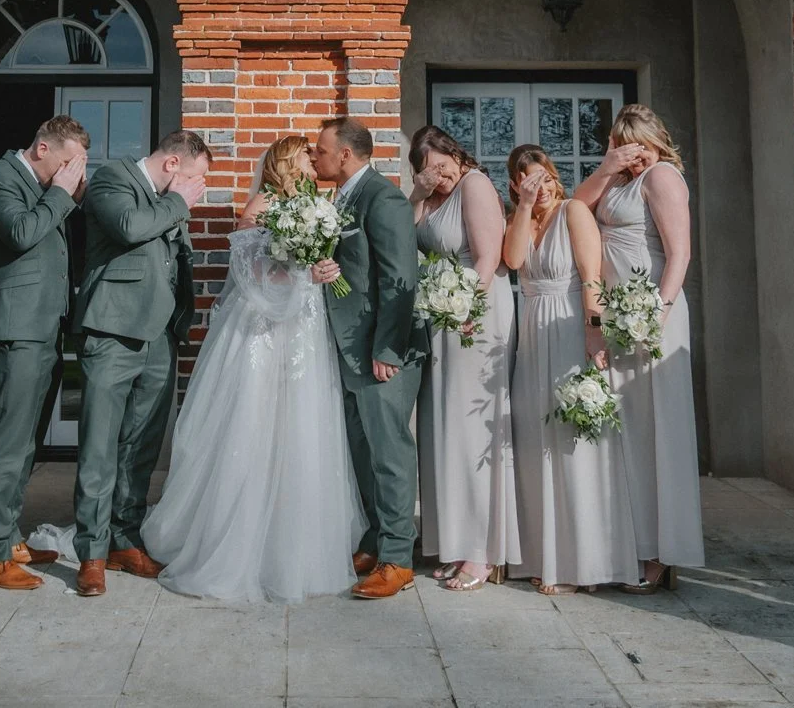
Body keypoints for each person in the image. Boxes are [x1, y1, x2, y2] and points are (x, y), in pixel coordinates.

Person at [143, 135, 365, 603]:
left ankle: (295, 548)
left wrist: (323, 269)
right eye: (307, 154)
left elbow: (316, 265)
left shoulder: (316, 204)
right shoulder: (263, 204)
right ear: (290, 159)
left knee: (301, 429)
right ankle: (238, 547)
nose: (313, 160)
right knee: (254, 424)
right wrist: (298, 264)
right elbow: (249, 271)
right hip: (262, 329)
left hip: (304, 327)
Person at [69, 129, 209, 597]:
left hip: (158, 336)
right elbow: (128, 227)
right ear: (172, 165)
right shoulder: (113, 179)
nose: (198, 188)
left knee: (141, 446)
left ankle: (124, 539)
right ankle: (91, 550)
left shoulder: (167, 198)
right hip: (112, 332)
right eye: (195, 178)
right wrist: (179, 204)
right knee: (100, 444)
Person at [572, 104, 705, 591]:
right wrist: (607, 168)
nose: (634, 157)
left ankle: (660, 552)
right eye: (624, 148)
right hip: (619, 317)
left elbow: (680, 252)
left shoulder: (663, 176)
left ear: (657, 143)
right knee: (628, 431)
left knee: (656, 430)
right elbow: (577, 206)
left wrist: (657, 314)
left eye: (640, 147)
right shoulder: (619, 178)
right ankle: (633, 540)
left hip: (651, 318)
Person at [504, 145, 641, 593]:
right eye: (527, 180)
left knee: (573, 443)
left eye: (542, 178)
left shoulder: (574, 211)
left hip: (567, 329)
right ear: (515, 184)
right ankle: (546, 555)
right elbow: (513, 261)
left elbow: (591, 276)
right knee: (535, 440)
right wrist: (523, 206)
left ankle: (583, 562)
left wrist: (594, 331)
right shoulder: (523, 217)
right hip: (531, 334)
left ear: (554, 177)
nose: (538, 187)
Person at [0, 114, 90, 591]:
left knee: (26, 442)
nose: (71, 174)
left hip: (43, 328)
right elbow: (20, 234)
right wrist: (61, 195)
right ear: (42, 148)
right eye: (67, 163)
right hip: (14, 329)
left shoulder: (45, 187)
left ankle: (6, 534)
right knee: (8, 440)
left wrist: (67, 196)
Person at [311, 116, 424, 600]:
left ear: (346, 155)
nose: (315, 157)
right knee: (363, 452)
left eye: (320, 150)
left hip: (383, 351)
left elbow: (401, 278)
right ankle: (378, 540)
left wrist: (388, 348)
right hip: (350, 348)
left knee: (390, 455)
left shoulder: (384, 198)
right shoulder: (342, 197)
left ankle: (399, 559)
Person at [409, 124, 520, 592]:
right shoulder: (430, 197)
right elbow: (408, 239)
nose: (440, 175)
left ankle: (483, 551)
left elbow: (489, 257)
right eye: (429, 169)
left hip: (477, 311)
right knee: (445, 429)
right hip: (442, 314)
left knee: (473, 426)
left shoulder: (475, 185)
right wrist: (418, 193)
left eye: (443, 165)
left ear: (456, 156)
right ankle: (454, 540)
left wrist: (465, 308)